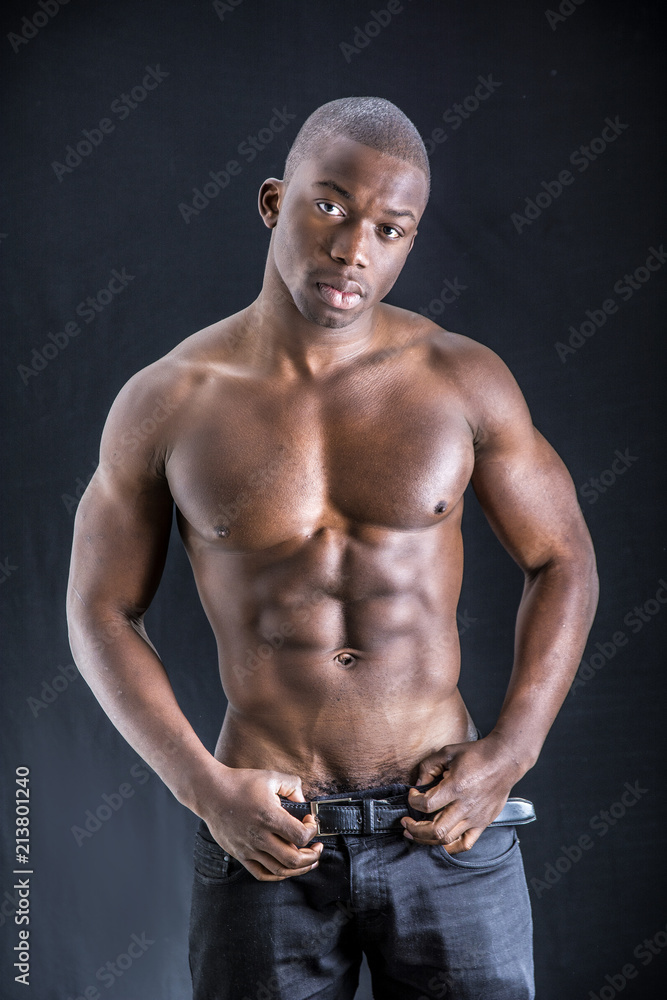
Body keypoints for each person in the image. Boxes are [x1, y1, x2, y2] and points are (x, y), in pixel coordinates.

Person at [67, 96, 598, 999]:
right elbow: (100, 610)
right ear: (274, 202)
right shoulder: (169, 401)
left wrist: (510, 752)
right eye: (331, 206)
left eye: (391, 228)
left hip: (448, 830)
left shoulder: (460, 380)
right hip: (266, 831)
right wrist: (202, 787)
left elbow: (563, 560)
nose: (355, 248)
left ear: (410, 240)